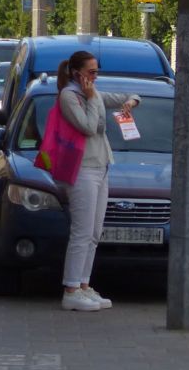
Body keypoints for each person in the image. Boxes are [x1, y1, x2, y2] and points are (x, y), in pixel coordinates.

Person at [55, 50, 141, 312]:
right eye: (91, 72)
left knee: (94, 233)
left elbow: (124, 97)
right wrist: (92, 98)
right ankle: (70, 289)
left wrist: (132, 101)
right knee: (81, 232)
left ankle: (83, 284)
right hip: (81, 169)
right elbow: (88, 127)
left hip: (101, 166)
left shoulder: (93, 94)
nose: (94, 76)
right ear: (76, 73)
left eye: (96, 71)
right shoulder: (69, 96)